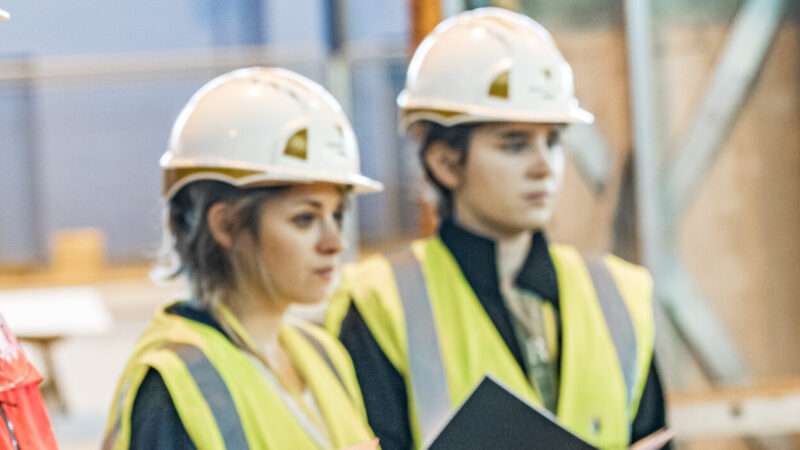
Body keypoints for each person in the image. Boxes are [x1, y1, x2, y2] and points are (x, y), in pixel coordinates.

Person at [326, 8, 669, 450]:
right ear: (445, 161)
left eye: (552, 140)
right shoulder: (377, 303)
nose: (544, 166)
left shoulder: (620, 297)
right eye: (514, 144)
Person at [102, 67, 383, 450]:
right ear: (227, 224)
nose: (334, 243)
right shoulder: (175, 381)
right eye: (305, 219)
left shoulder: (324, 354)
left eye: (336, 215)